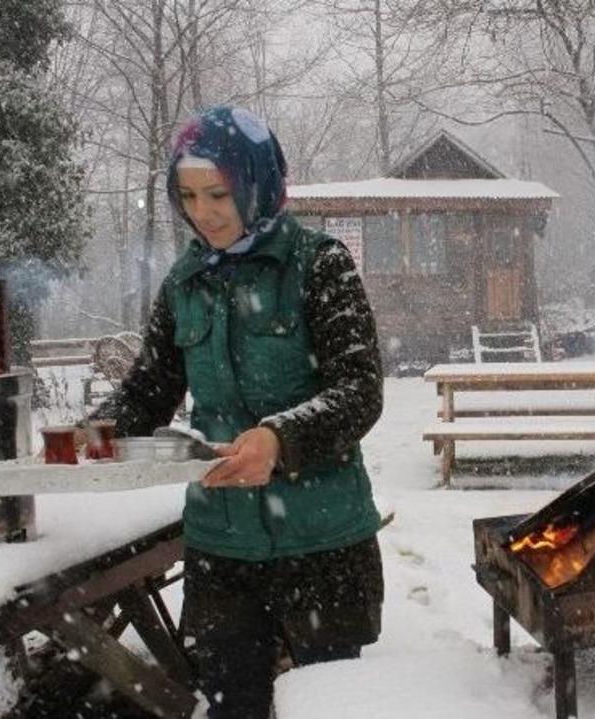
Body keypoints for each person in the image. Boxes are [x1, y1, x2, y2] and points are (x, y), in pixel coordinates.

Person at [89, 105, 385, 718]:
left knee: (325, 705)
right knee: (230, 708)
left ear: (256, 183)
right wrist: (95, 432)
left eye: (219, 193)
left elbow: (359, 391)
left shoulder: (318, 265)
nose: (203, 212)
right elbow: (150, 387)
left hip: (322, 543)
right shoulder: (184, 282)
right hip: (221, 548)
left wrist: (279, 440)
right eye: (189, 196)